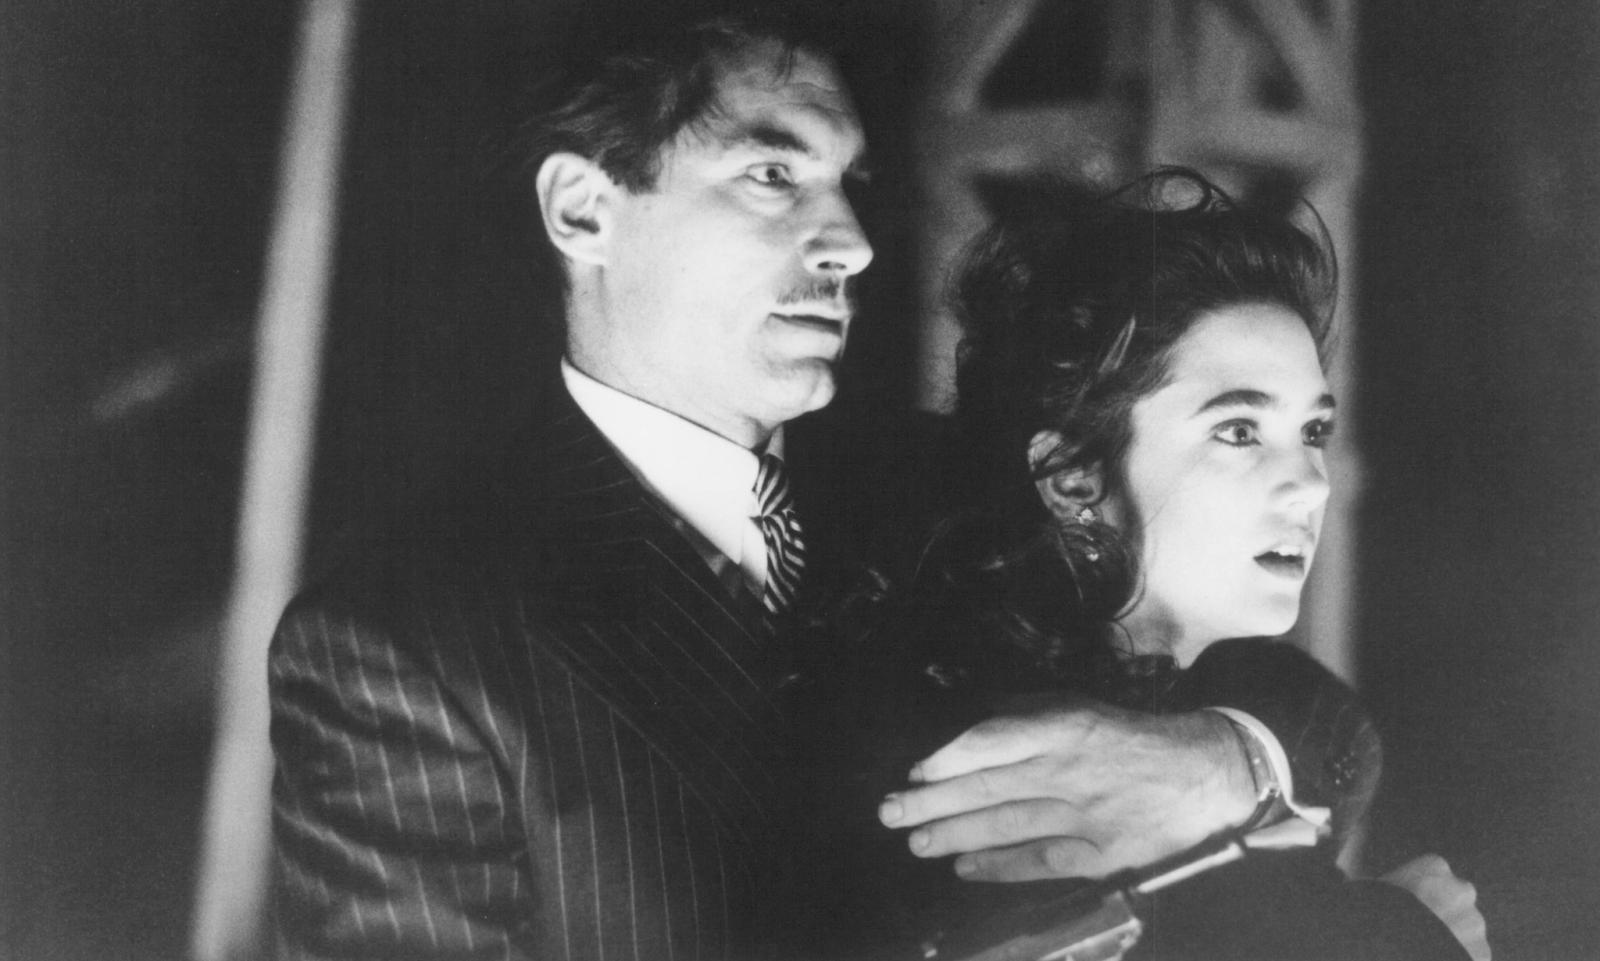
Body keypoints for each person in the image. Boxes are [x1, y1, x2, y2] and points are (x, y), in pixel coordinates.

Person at [266, 7, 1427, 959]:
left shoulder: (955, 480)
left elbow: (1300, 699)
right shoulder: (408, 642)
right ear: (583, 208)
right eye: (773, 173)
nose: (850, 242)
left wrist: (1227, 759)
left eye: (846, 182)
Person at [815, 170, 1486, 959]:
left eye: (1313, 431)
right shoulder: (1021, 756)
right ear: (1075, 479)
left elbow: (1326, 722)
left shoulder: (1219, 699)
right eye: (1239, 430)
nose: (1310, 484)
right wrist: (1414, 929)